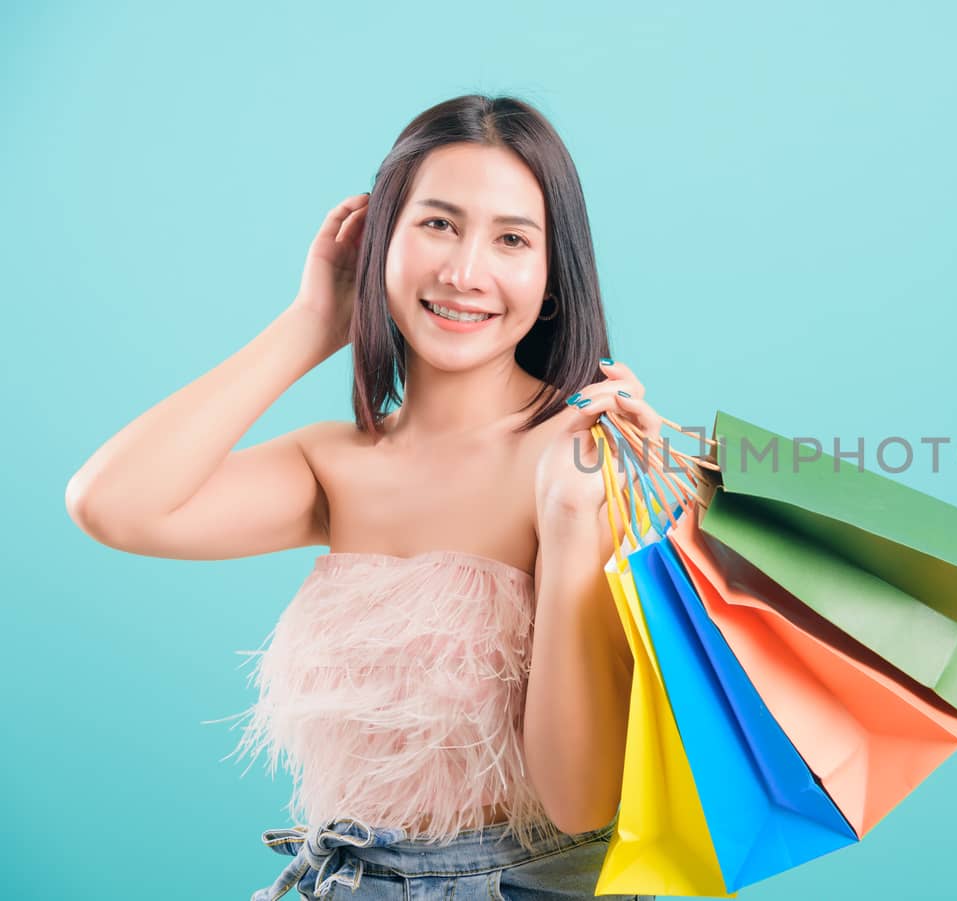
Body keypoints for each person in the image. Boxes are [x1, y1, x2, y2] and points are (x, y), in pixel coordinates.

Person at [64, 94, 660, 900]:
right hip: (343, 880)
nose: (464, 271)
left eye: (512, 238)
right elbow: (113, 504)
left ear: (552, 275)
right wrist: (312, 321)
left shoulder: (587, 460)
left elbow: (580, 797)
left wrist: (568, 516)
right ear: (382, 240)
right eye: (438, 224)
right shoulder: (335, 464)